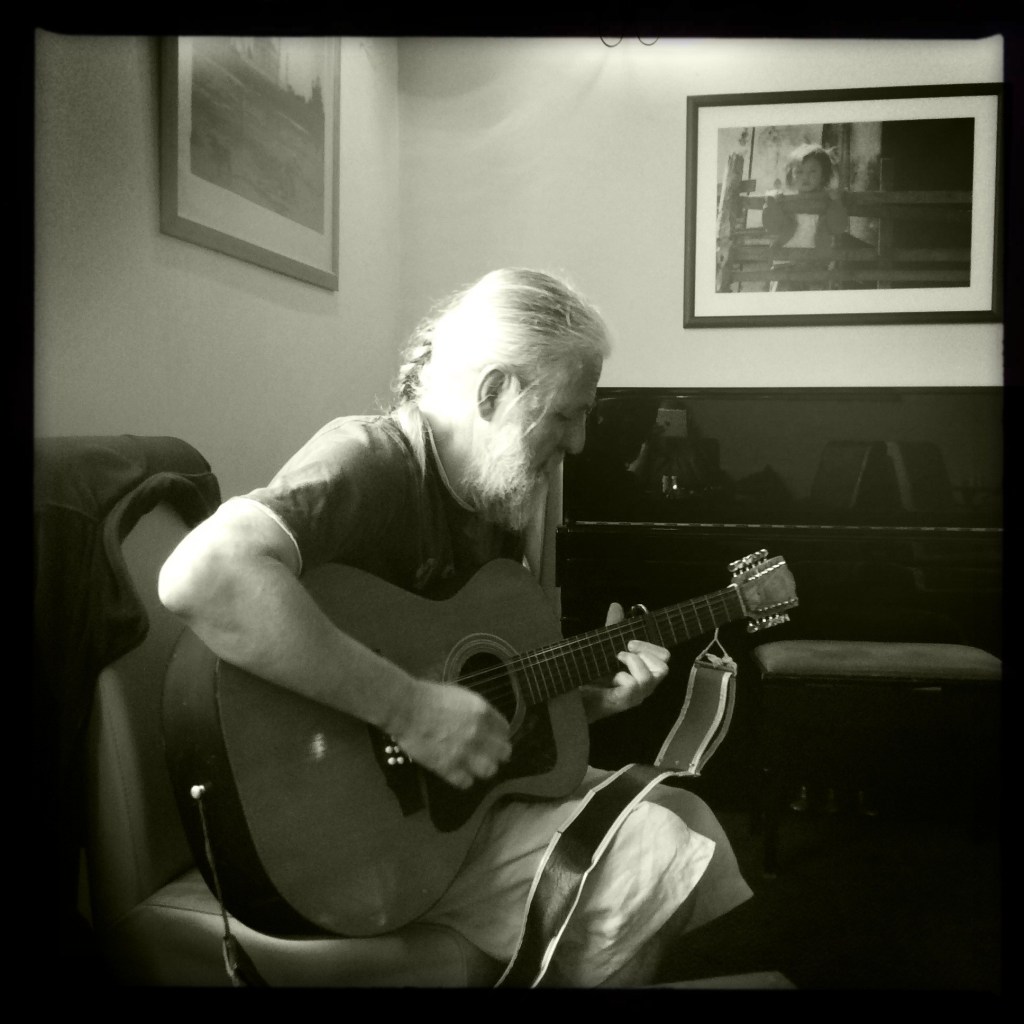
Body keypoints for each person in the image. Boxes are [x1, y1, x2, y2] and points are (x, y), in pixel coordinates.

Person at [158, 267, 752, 987]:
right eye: (566, 413)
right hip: (346, 834)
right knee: (652, 849)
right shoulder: (372, 459)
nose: (581, 441)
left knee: (688, 817)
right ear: (494, 390)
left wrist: (590, 705)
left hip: (443, 814)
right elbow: (202, 576)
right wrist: (406, 708)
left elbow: (478, 701)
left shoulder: (491, 496)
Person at [761, 142, 850, 292]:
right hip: (785, 264)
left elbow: (838, 227)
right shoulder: (784, 200)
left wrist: (836, 203)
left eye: (812, 172)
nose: (805, 177)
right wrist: (771, 204)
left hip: (815, 265)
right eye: (799, 172)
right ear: (791, 176)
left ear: (823, 176)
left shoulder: (827, 201)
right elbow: (772, 226)